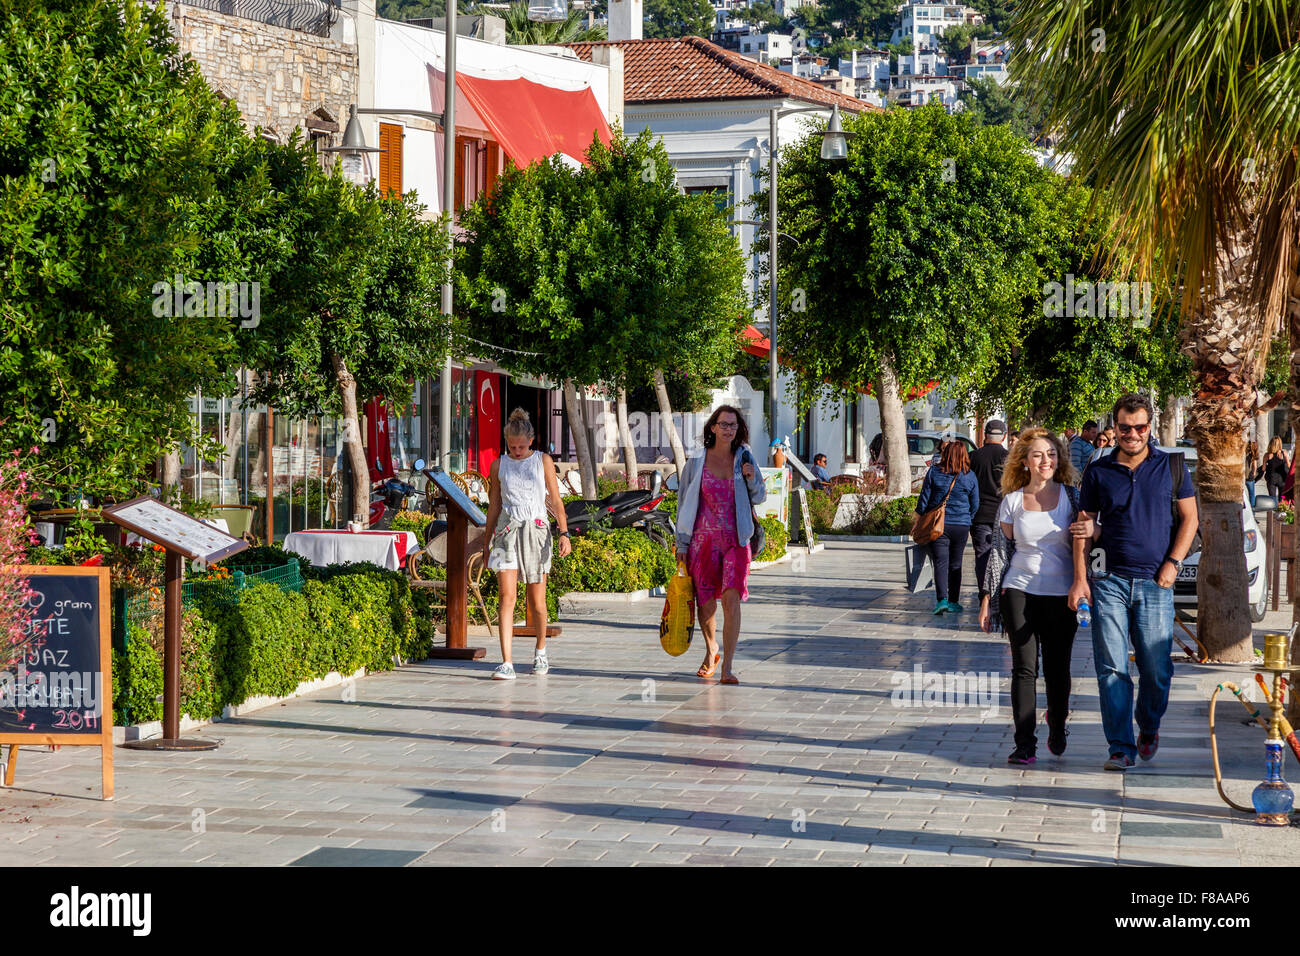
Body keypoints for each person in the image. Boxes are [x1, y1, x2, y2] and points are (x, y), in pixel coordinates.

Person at [1069, 393, 1197, 771]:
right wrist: (1080, 580)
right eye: (1125, 428)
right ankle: (1120, 747)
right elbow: (1081, 529)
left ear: (1149, 427)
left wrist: (1173, 563)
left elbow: (1190, 519)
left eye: (1140, 427)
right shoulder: (1098, 472)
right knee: (1111, 667)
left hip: (1156, 583)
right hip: (1107, 579)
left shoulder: (1171, 467)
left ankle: (1149, 724)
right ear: (1116, 428)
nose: (1133, 434)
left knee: (1156, 669)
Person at [980, 429, 1080, 765]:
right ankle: (1024, 744)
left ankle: (1057, 724)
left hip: (1061, 593)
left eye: (1051, 453)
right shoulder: (1011, 501)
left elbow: (1086, 546)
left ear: (1059, 459)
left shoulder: (1072, 497)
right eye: (1037, 455)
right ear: (1025, 462)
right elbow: (999, 553)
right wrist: (987, 598)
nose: (1045, 460)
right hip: (1018, 589)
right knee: (1024, 669)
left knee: (1057, 667)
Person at [676, 405, 766, 685]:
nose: (728, 429)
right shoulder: (696, 462)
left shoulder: (745, 458)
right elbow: (684, 503)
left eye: (733, 425)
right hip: (702, 542)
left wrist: (751, 478)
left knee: (731, 599)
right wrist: (682, 543)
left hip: (736, 541)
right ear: (713, 427)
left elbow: (760, 497)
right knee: (705, 605)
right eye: (723, 424)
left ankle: (727, 666)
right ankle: (711, 648)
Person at [482, 408, 572, 680]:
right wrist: (486, 542)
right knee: (506, 598)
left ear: (531, 441)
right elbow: (494, 505)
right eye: (512, 446)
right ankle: (507, 661)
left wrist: (564, 532)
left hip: (536, 531)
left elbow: (555, 500)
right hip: (507, 532)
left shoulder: (542, 461)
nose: (517, 451)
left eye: (521, 446)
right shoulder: (499, 465)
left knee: (536, 602)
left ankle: (541, 651)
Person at [915, 441, 979, 615]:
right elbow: (975, 504)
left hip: (939, 524)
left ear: (946, 454)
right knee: (956, 563)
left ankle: (941, 600)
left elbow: (924, 498)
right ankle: (954, 601)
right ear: (965, 455)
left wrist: (919, 517)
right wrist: (967, 518)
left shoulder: (934, 472)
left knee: (940, 563)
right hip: (962, 525)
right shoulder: (970, 475)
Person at [969, 420, 1009, 608]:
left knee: (983, 556)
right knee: (1004, 555)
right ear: (1004, 436)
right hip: (1004, 514)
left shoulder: (973, 457)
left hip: (979, 514)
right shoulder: (1009, 458)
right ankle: (1000, 593)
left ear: (984, 435)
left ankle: (983, 595)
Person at [1264, 436, 1289, 502]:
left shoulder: (1267, 455)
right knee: (1282, 499)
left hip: (1271, 479)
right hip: (1282, 479)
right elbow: (1289, 466)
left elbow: (1263, 469)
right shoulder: (1284, 453)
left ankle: (1270, 512)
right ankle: (1280, 511)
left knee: (1272, 500)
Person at [1245, 440, 1260, 509]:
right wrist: (1254, 473)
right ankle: (1252, 510)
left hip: (1242, 476)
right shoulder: (1253, 455)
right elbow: (1255, 466)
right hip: (1249, 477)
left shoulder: (1244, 454)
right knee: (1251, 494)